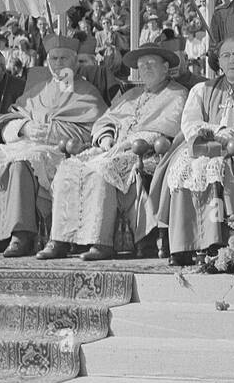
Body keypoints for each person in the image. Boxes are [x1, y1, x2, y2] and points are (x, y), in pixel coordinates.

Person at [0, 34, 107, 257]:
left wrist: (49, 132)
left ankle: (22, 234)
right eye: (54, 59)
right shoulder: (40, 89)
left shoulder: (87, 93)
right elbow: (8, 119)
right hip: (25, 143)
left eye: (64, 59)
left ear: (75, 62)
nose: (58, 64)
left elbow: (90, 131)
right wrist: (24, 128)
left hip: (57, 151)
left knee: (20, 165)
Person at [41, 44, 186, 262]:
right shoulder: (131, 94)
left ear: (166, 68)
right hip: (113, 150)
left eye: (151, 64)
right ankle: (60, 239)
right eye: (141, 65)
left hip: (145, 154)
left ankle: (101, 242)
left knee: (102, 170)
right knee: (69, 167)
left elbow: (169, 126)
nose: (145, 69)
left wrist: (128, 143)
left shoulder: (177, 93)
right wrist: (106, 138)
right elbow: (106, 119)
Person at [154, 37, 234, 263]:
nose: (231, 60)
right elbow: (190, 122)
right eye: (226, 56)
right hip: (206, 146)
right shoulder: (201, 89)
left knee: (217, 168)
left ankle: (216, 241)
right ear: (219, 63)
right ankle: (182, 246)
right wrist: (216, 131)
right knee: (183, 169)